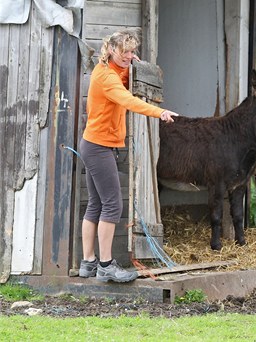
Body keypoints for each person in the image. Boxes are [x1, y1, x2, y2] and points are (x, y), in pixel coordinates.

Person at [78, 29, 178, 282]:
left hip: (93, 144)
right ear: (111, 49)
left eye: (132, 52)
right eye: (126, 52)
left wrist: (133, 64)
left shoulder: (108, 69)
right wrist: (159, 112)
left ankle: (87, 263)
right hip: (99, 147)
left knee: (96, 204)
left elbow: (124, 75)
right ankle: (105, 265)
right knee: (112, 205)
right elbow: (128, 100)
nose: (130, 56)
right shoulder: (107, 78)